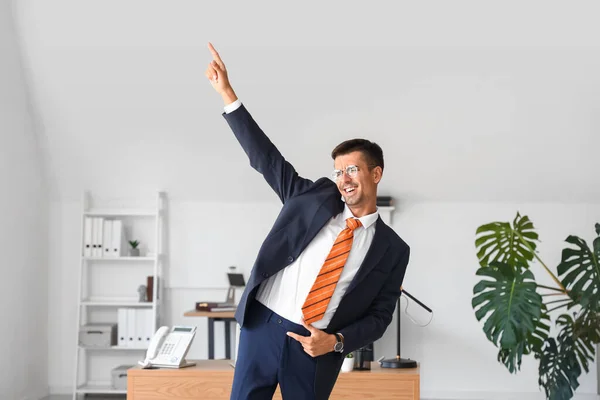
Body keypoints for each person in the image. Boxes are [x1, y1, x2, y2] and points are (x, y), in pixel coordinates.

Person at [205, 42, 410, 400]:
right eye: (338, 171)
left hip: (316, 348)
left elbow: (379, 317)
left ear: (375, 173)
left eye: (352, 169)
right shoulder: (312, 198)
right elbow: (266, 159)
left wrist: (336, 342)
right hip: (263, 327)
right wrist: (227, 94)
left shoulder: (393, 249)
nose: (343, 178)